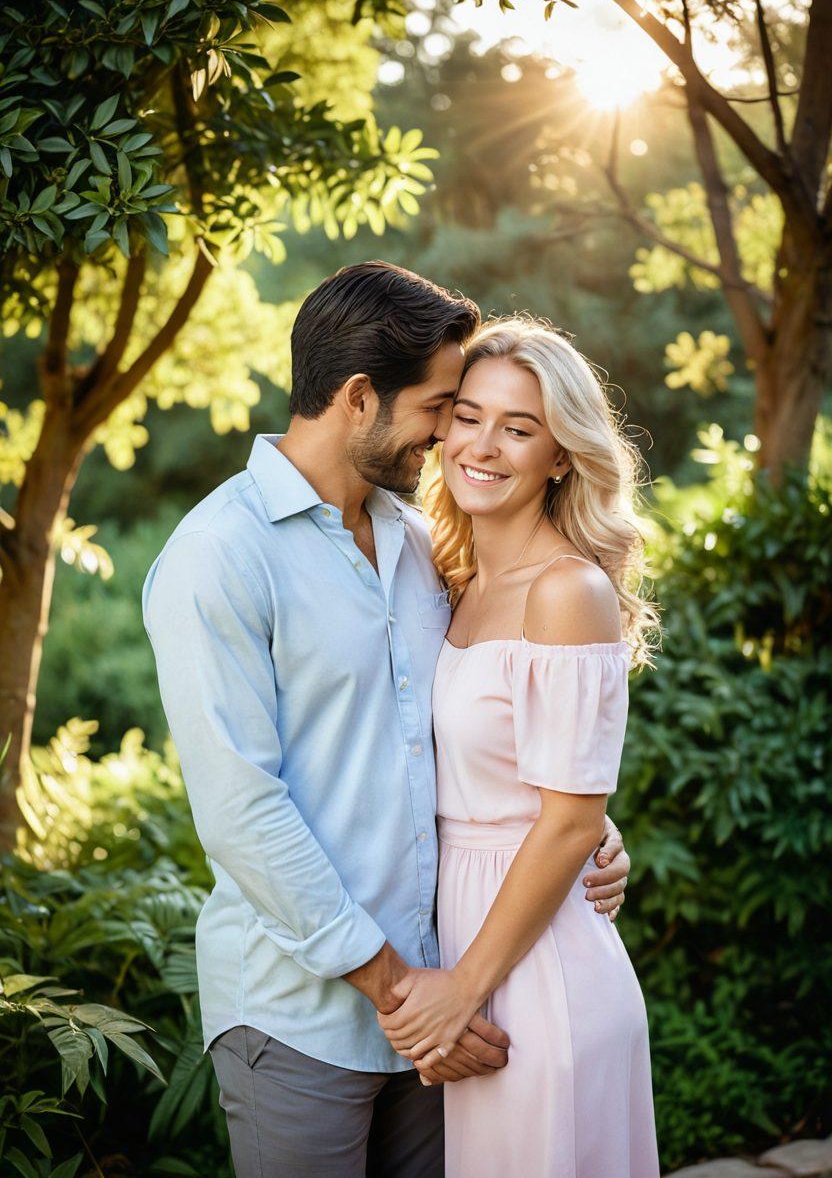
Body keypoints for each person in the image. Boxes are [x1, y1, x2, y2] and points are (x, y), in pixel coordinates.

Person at [142, 264, 633, 1177]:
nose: (450, 437)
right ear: (361, 397)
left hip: (445, 1011)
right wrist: (404, 991)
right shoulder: (219, 555)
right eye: (444, 409)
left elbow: (474, 728)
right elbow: (242, 810)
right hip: (307, 1014)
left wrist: (583, 825)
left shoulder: (417, 543)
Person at [378, 317, 660, 1177]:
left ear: (562, 455)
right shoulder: (451, 579)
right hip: (462, 938)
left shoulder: (567, 590)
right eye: (468, 416)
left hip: (540, 973)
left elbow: (570, 822)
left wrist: (461, 991)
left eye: (520, 428)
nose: (483, 445)